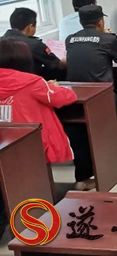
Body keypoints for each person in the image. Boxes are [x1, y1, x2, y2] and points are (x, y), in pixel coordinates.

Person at [66, 5, 117, 186]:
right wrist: (114, 39)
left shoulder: (70, 39)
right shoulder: (107, 39)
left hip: (77, 99)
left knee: (80, 133)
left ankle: (82, 177)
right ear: (101, 22)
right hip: (102, 98)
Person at [0, 39, 76, 167]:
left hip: (4, 140)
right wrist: (53, 87)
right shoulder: (31, 82)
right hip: (32, 140)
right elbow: (64, 98)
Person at [2, 8, 65, 80]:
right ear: (30, 26)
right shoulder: (34, 44)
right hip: (29, 81)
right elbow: (57, 64)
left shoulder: (2, 41)